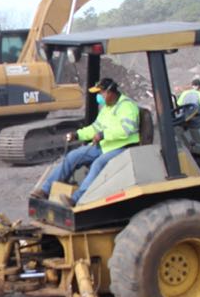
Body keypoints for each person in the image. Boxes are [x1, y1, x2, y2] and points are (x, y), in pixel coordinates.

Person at [30, 77, 140, 206]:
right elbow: (95, 128)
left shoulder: (127, 107)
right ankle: (45, 190)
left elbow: (127, 130)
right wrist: (78, 135)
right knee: (72, 156)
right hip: (105, 146)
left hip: (122, 147)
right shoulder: (107, 109)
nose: (98, 97)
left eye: (100, 93)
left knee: (98, 164)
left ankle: (76, 199)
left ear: (109, 92)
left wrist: (104, 134)